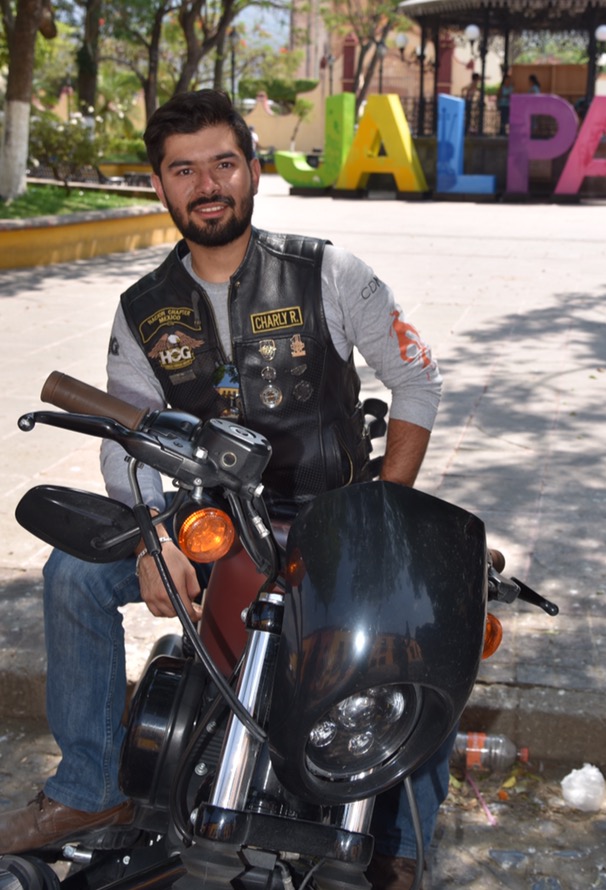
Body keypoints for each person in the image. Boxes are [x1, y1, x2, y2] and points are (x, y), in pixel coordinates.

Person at [0, 90, 445, 888]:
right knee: (73, 576)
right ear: (159, 186)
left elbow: (416, 380)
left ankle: (398, 850)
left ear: (253, 171)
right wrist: (155, 537)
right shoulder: (142, 310)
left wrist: (385, 509)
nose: (207, 185)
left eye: (223, 164)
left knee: (418, 629)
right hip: (210, 524)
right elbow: (127, 437)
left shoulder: (329, 272)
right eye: (184, 170)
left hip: (333, 525)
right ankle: (90, 788)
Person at [496, 70, 513, 136]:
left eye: (509, 80)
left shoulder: (511, 88)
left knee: (508, 119)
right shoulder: (502, 88)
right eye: (507, 80)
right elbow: (499, 96)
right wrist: (498, 104)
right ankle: (502, 131)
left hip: (509, 105)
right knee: (503, 119)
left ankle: (507, 131)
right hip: (503, 105)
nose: (508, 81)